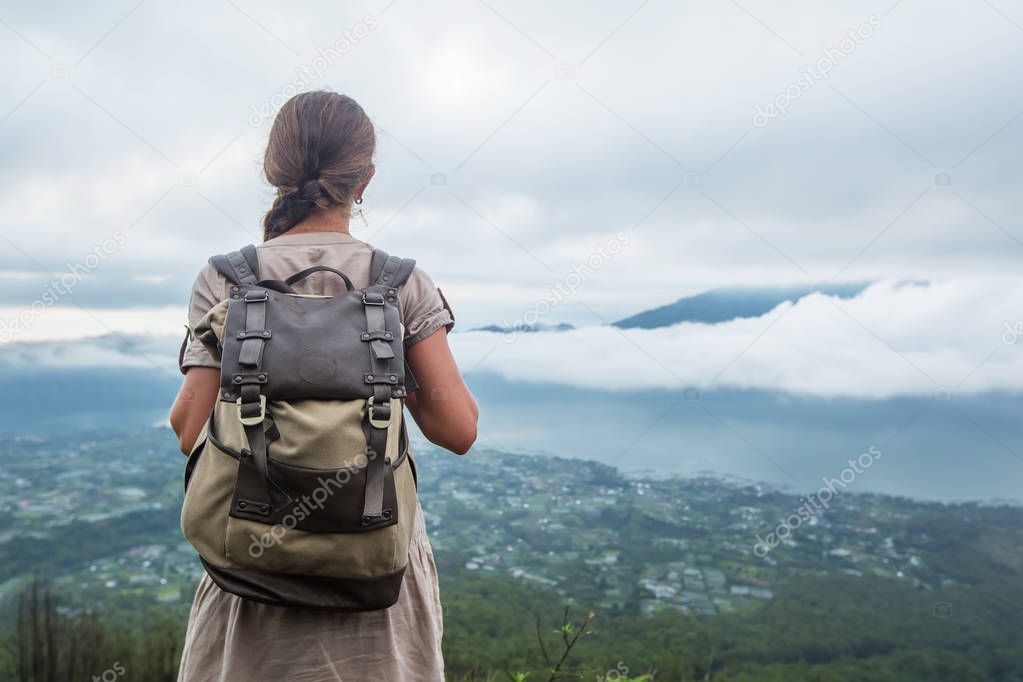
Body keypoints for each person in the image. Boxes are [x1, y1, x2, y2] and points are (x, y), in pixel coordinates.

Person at [169, 90, 478, 682]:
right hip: (373, 560)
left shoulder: (224, 279)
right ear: (365, 180)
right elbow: (458, 430)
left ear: (275, 171)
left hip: (252, 565)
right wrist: (382, 356)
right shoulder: (402, 284)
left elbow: (188, 432)